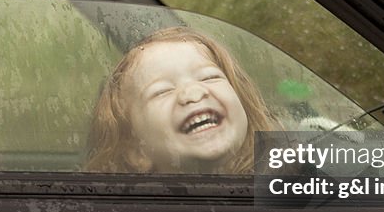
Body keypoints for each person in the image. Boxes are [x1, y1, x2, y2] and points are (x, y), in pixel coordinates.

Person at [86, 27, 278, 174]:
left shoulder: (293, 186)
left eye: (209, 77)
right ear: (136, 151)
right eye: (162, 91)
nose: (193, 93)